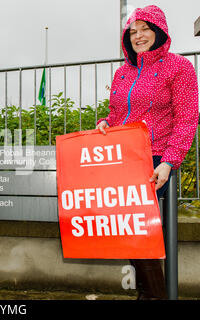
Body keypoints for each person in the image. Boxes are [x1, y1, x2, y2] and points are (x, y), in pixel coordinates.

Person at [96, 5, 199, 299]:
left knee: (140, 233)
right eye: (133, 31)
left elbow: (187, 118)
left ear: (159, 31)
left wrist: (169, 161)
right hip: (122, 158)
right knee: (127, 230)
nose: (138, 36)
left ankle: (153, 296)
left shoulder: (180, 67)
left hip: (154, 159)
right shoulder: (123, 73)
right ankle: (146, 294)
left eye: (145, 29)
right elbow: (116, 114)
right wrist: (105, 122)